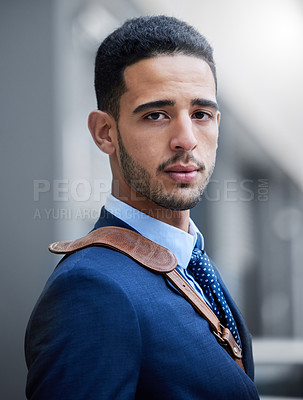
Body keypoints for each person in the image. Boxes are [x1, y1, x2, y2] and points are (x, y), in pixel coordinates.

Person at [25, 15, 260, 399]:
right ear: (105, 132)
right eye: (156, 115)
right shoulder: (91, 289)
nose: (186, 139)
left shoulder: (192, 262)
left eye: (201, 114)